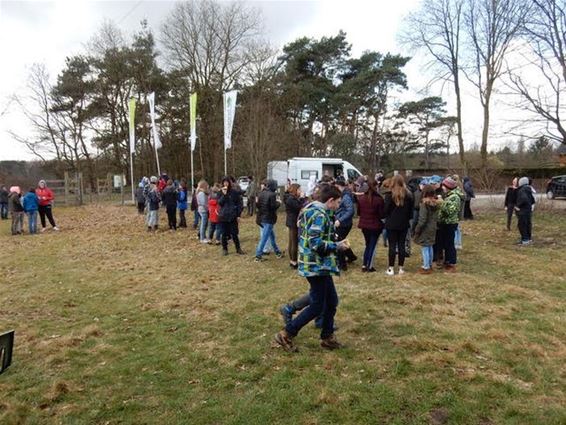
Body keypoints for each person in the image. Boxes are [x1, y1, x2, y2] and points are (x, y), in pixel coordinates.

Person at [274, 184, 347, 352]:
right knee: (317, 305)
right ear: (330, 201)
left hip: (319, 265)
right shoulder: (318, 215)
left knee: (331, 301)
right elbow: (316, 244)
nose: (338, 206)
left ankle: (327, 337)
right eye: (337, 202)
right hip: (315, 266)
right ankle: (286, 334)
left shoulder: (314, 209)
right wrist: (337, 246)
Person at [383, 175, 414, 276]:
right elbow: (411, 212)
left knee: (392, 246)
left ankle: (391, 268)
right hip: (403, 223)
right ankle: (401, 268)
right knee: (401, 245)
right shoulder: (408, 195)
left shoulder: (389, 195)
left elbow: (386, 210)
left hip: (391, 223)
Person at [356, 178, 384, 272]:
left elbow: (359, 212)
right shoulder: (379, 200)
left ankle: (364, 264)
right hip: (375, 225)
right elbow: (381, 214)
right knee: (372, 245)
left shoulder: (361, 199)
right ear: (376, 187)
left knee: (368, 244)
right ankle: (369, 265)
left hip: (364, 225)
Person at [436, 177, 463, 272]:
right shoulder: (448, 195)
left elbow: (450, 211)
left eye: (443, 185)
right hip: (444, 223)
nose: (442, 187)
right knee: (445, 243)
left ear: (447, 186)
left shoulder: (455, 197)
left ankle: (451, 263)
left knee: (450, 244)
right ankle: (446, 261)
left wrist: (441, 203)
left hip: (450, 223)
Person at [413, 185, 441, 274]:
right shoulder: (436, 203)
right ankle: (429, 264)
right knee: (430, 246)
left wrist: (417, 229)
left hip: (425, 228)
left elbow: (422, 219)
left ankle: (426, 267)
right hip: (433, 227)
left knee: (425, 247)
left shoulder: (424, 204)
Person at [255, 179, 283, 261]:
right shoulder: (272, 195)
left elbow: (258, 205)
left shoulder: (261, 193)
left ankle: (277, 252)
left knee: (272, 237)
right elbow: (272, 207)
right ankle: (258, 255)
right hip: (268, 219)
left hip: (262, 218)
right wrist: (279, 203)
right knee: (264, 238)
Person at [218, 176, 245, 256]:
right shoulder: (220, 193)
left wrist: (238, 214)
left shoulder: (234, 192)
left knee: (234, 234)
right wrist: (224, 195)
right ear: (222, 183)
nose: (226, 183)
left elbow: (239, 203)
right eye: (224, 182)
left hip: (232, 216)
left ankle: (238, 248)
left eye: (227, 182)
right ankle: (224, 249)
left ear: (229, 183)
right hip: (223, 216)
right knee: (224, 234)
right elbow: (220, 203)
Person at [334, 178, 357, 270]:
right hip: (342, 222)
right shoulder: (343, 195)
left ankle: (342, 264)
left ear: (339, 186)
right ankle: (351, 256)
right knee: (341, 239)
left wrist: (340, 220)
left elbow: (350, 210)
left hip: (344, 224)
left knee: (338, 241)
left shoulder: (346, 196)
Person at [284, 183, 305, 269]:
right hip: (293, 222)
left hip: (292, 221)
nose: (300, 191)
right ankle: (293, 261)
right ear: (295, 190)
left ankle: (293, 260)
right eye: (299, 190)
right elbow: (299, 207)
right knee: (294, 242)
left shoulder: (291, 198)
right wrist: (302, 198)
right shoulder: (291, 199)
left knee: (292, 241)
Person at [515, 176, 535, 245]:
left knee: (522, 225)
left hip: (522, 211)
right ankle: (528, 239)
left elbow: (523, 199)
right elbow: (533, 200)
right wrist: (528, 206)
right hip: (528, 211)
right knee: (528, 225)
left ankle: (525, 240)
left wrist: (518, 206)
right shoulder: (529, 189)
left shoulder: (522, 190)